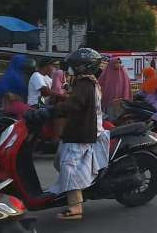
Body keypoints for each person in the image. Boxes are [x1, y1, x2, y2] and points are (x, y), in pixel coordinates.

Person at [49, 48, 109, 221]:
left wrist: (52, 110)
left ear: (84, 67)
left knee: (69, 168)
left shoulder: (85, 84)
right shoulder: (88, 82)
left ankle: (75, 208)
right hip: (82, 129)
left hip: (81, 132)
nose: (70, 69)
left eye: (74, 66)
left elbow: (74, 105)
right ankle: (77, 191)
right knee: (60, 161)